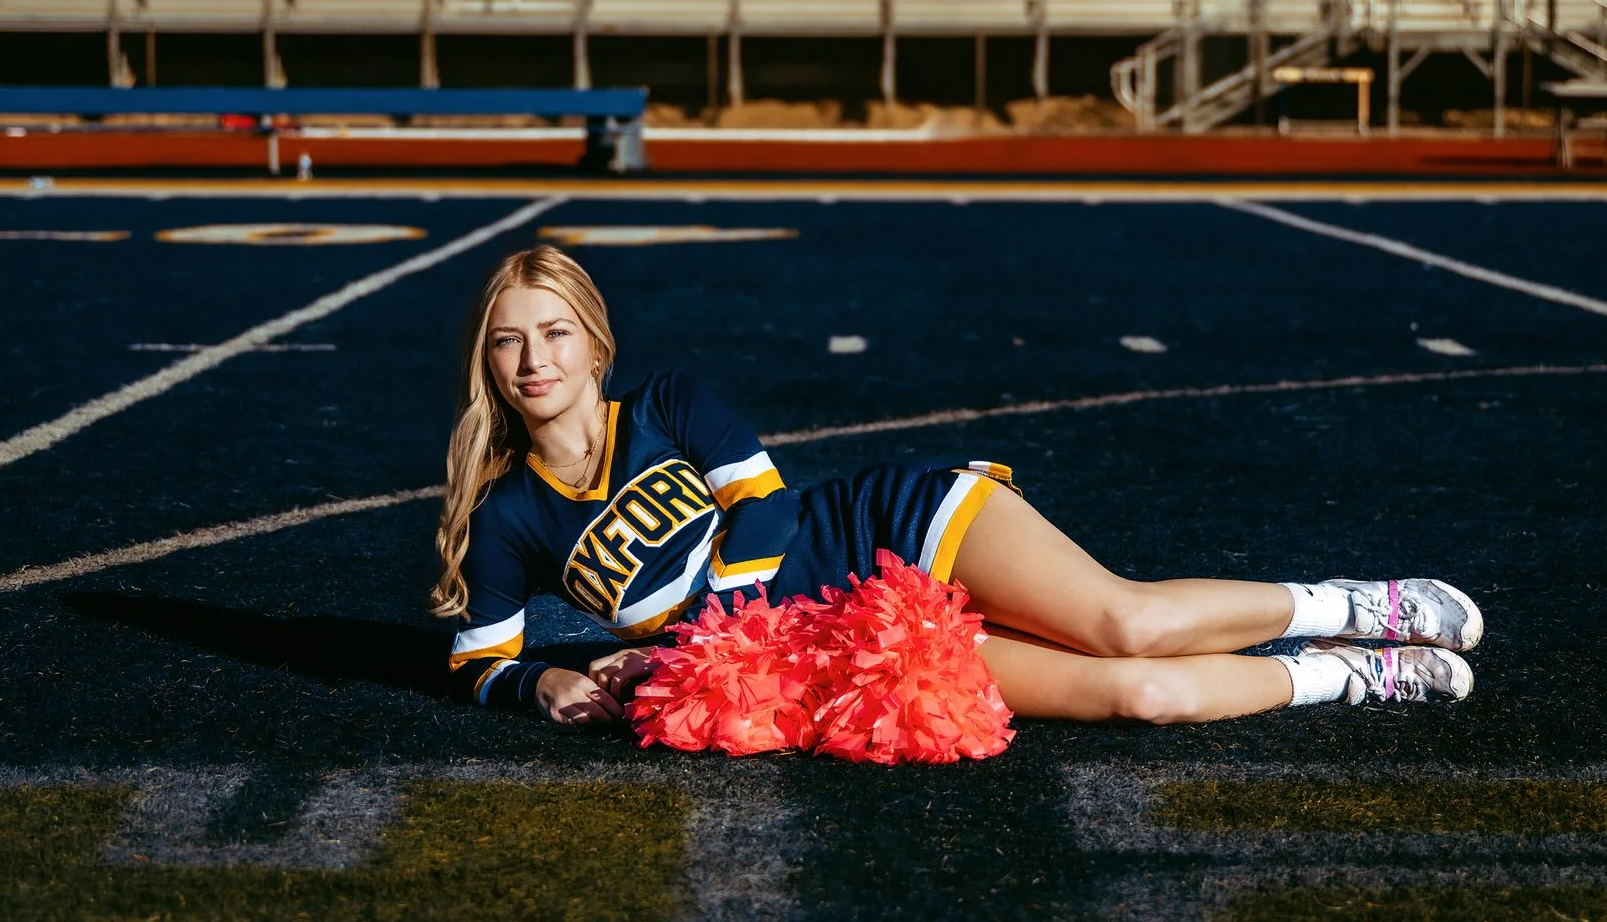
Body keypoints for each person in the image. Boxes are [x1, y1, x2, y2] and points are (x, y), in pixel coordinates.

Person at [433, 246, 1483, 730]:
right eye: (510, 340)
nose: (535, 358)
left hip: (886, 535)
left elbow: (768, 508)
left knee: (1122, 624)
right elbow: (478, 660)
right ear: (488, 359)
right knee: (1140, 696)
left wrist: (703, 635)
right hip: (841, 648)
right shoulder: (509, 514)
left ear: (595, 340)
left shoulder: (664, 403)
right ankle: (1350, 672)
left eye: (555, 331)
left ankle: (1356, 603)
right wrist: (548, 682)